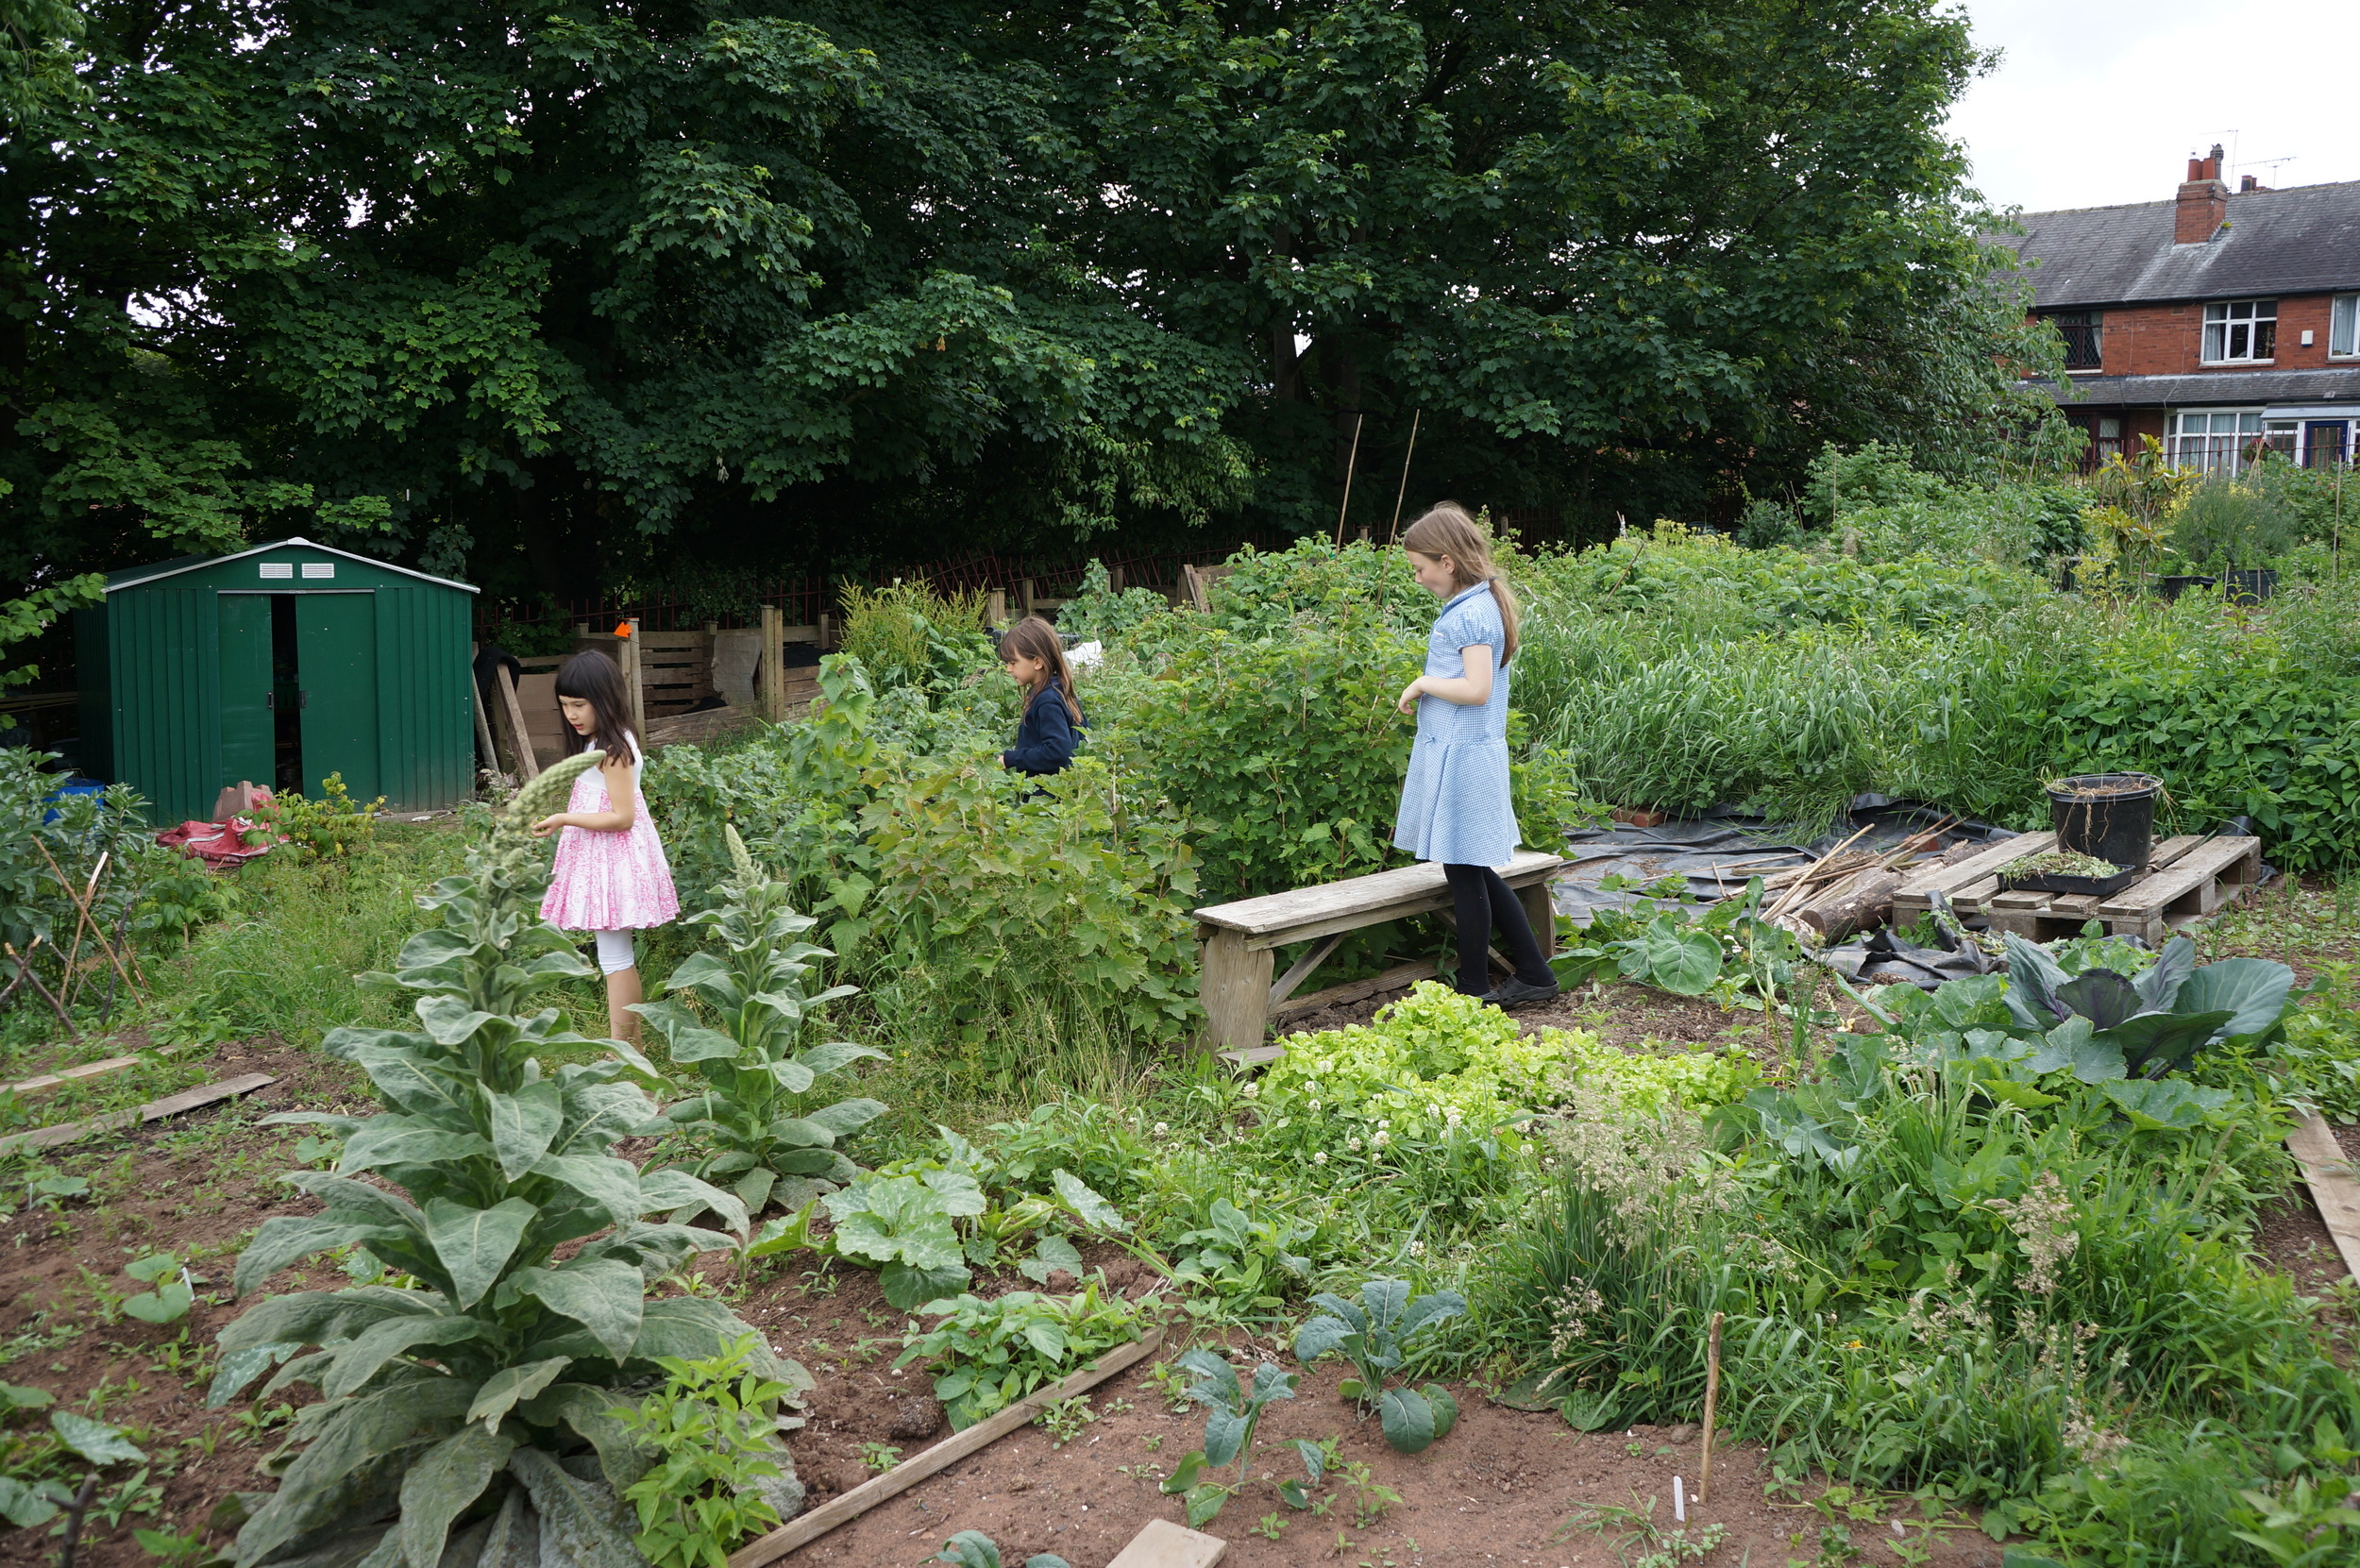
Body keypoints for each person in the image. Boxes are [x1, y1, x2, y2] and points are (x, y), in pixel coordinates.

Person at [1392, 503, 1560, 1008]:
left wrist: (1423, 682)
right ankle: (1532, 973)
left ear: (1447, 561)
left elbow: (1478, 688)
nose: (1418, 579)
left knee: (1465, 873)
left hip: (1465, 757)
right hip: (1461, 752)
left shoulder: (1472, 614)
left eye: (1420, 568)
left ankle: (1471, 990)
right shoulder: (1476, 604)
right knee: (1471, 869)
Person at [532, 649, 680, 1042]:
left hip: (613, 862)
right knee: (612, 957)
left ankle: (627, 1055)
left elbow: (622, 817)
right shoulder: (600, 740)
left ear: (605, 698)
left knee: (616, 959)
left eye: (579, 704)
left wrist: (563, 818)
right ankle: (627, 1051)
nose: (572, 714)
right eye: (565, 705)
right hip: (604, 858)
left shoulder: (615, 750)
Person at [999, 616, 1085, 778]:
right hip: (1066, 790)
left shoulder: (1047, 700)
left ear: (1037, 662)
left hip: (1045, 796)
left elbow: (1056, 751)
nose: (1008, 669)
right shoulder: (1061, 689)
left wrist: (1011, 759)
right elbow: (1084, 736)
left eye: (1013, 662)